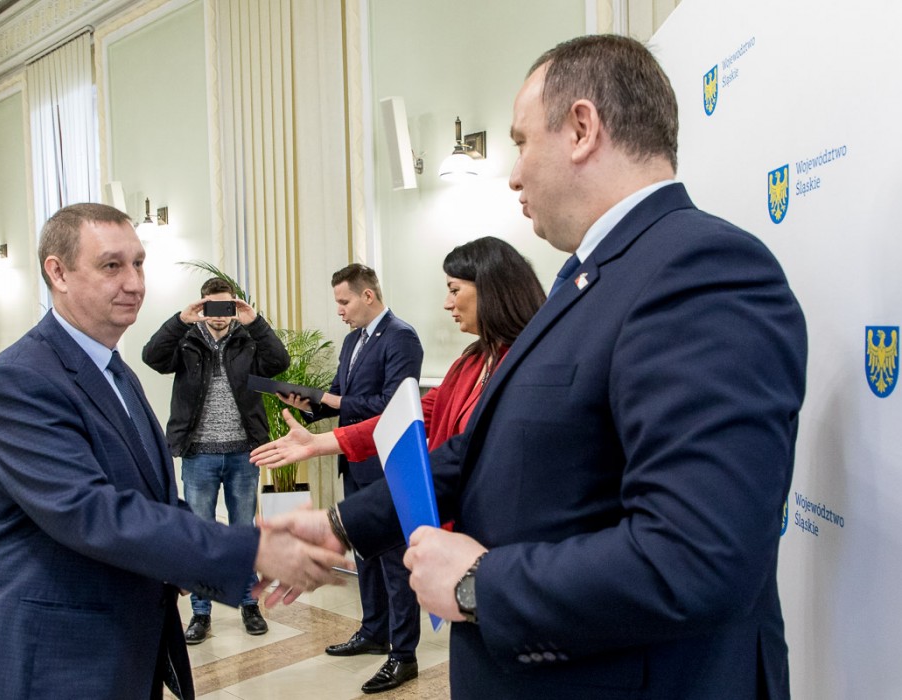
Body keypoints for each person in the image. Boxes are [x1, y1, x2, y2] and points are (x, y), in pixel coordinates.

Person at [266, 35, 807, 699]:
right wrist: (341, 525)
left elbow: (699, 555)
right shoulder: (589, 276)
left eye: (522, 143)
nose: (514, 174)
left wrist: (479, 586)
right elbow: (484, 451)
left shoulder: (702, 270)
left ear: (582, 128)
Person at [0, 203, 349, 700]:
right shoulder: (20, 379)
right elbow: (90, 512)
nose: (134, 283)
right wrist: (251, 550)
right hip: (58, 655)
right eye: (111, 265)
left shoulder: (114, 371)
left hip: (127, 643)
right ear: (57, 273)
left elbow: (152, 497)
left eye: (139, 263)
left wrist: (249, 538)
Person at [251, 236, 544, 474]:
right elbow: (406, 415)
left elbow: (391, 404)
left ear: (492, 290)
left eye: (454, 290)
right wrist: (317, 439)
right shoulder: (468, 363)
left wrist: (330, 405)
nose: (447, 303)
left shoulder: (532, 366)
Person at [284, 263, 423, 694]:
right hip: (355, 463)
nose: (339, 311)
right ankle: (373, 631)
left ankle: (404, 654)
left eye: (344, 301)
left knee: (395, 563)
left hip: (386, 464)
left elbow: (391, 404)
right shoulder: (352, 341)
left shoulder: (401, 336)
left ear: (368, 295)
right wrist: (308, 405)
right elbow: (339, 397)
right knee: (365, 552)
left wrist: (333, 399)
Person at [142, 276, 290, 642]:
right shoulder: (187, 340)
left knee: (242, 532)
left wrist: (255, 322)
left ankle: (249, 604)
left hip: (243, 452)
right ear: (202, 306)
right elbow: (152, 356)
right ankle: (201, 611)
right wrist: (181, 321)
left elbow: (279, 361)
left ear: (235, 306)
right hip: (199, 455)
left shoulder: (247, 339)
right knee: (200, 535)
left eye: (226, 307)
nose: (220, 316)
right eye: (212, 308)